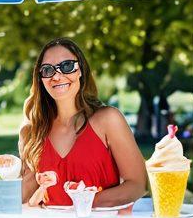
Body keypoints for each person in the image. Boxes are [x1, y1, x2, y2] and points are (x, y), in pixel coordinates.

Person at [19, 38, 147, 208]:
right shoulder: (32, 131)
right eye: (48, 70)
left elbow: (138, 185)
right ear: (40, 78)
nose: (57, 76)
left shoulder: (108, 120)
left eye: (67, 66)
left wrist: (85, 202)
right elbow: (25, 195)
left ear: (80, 70)